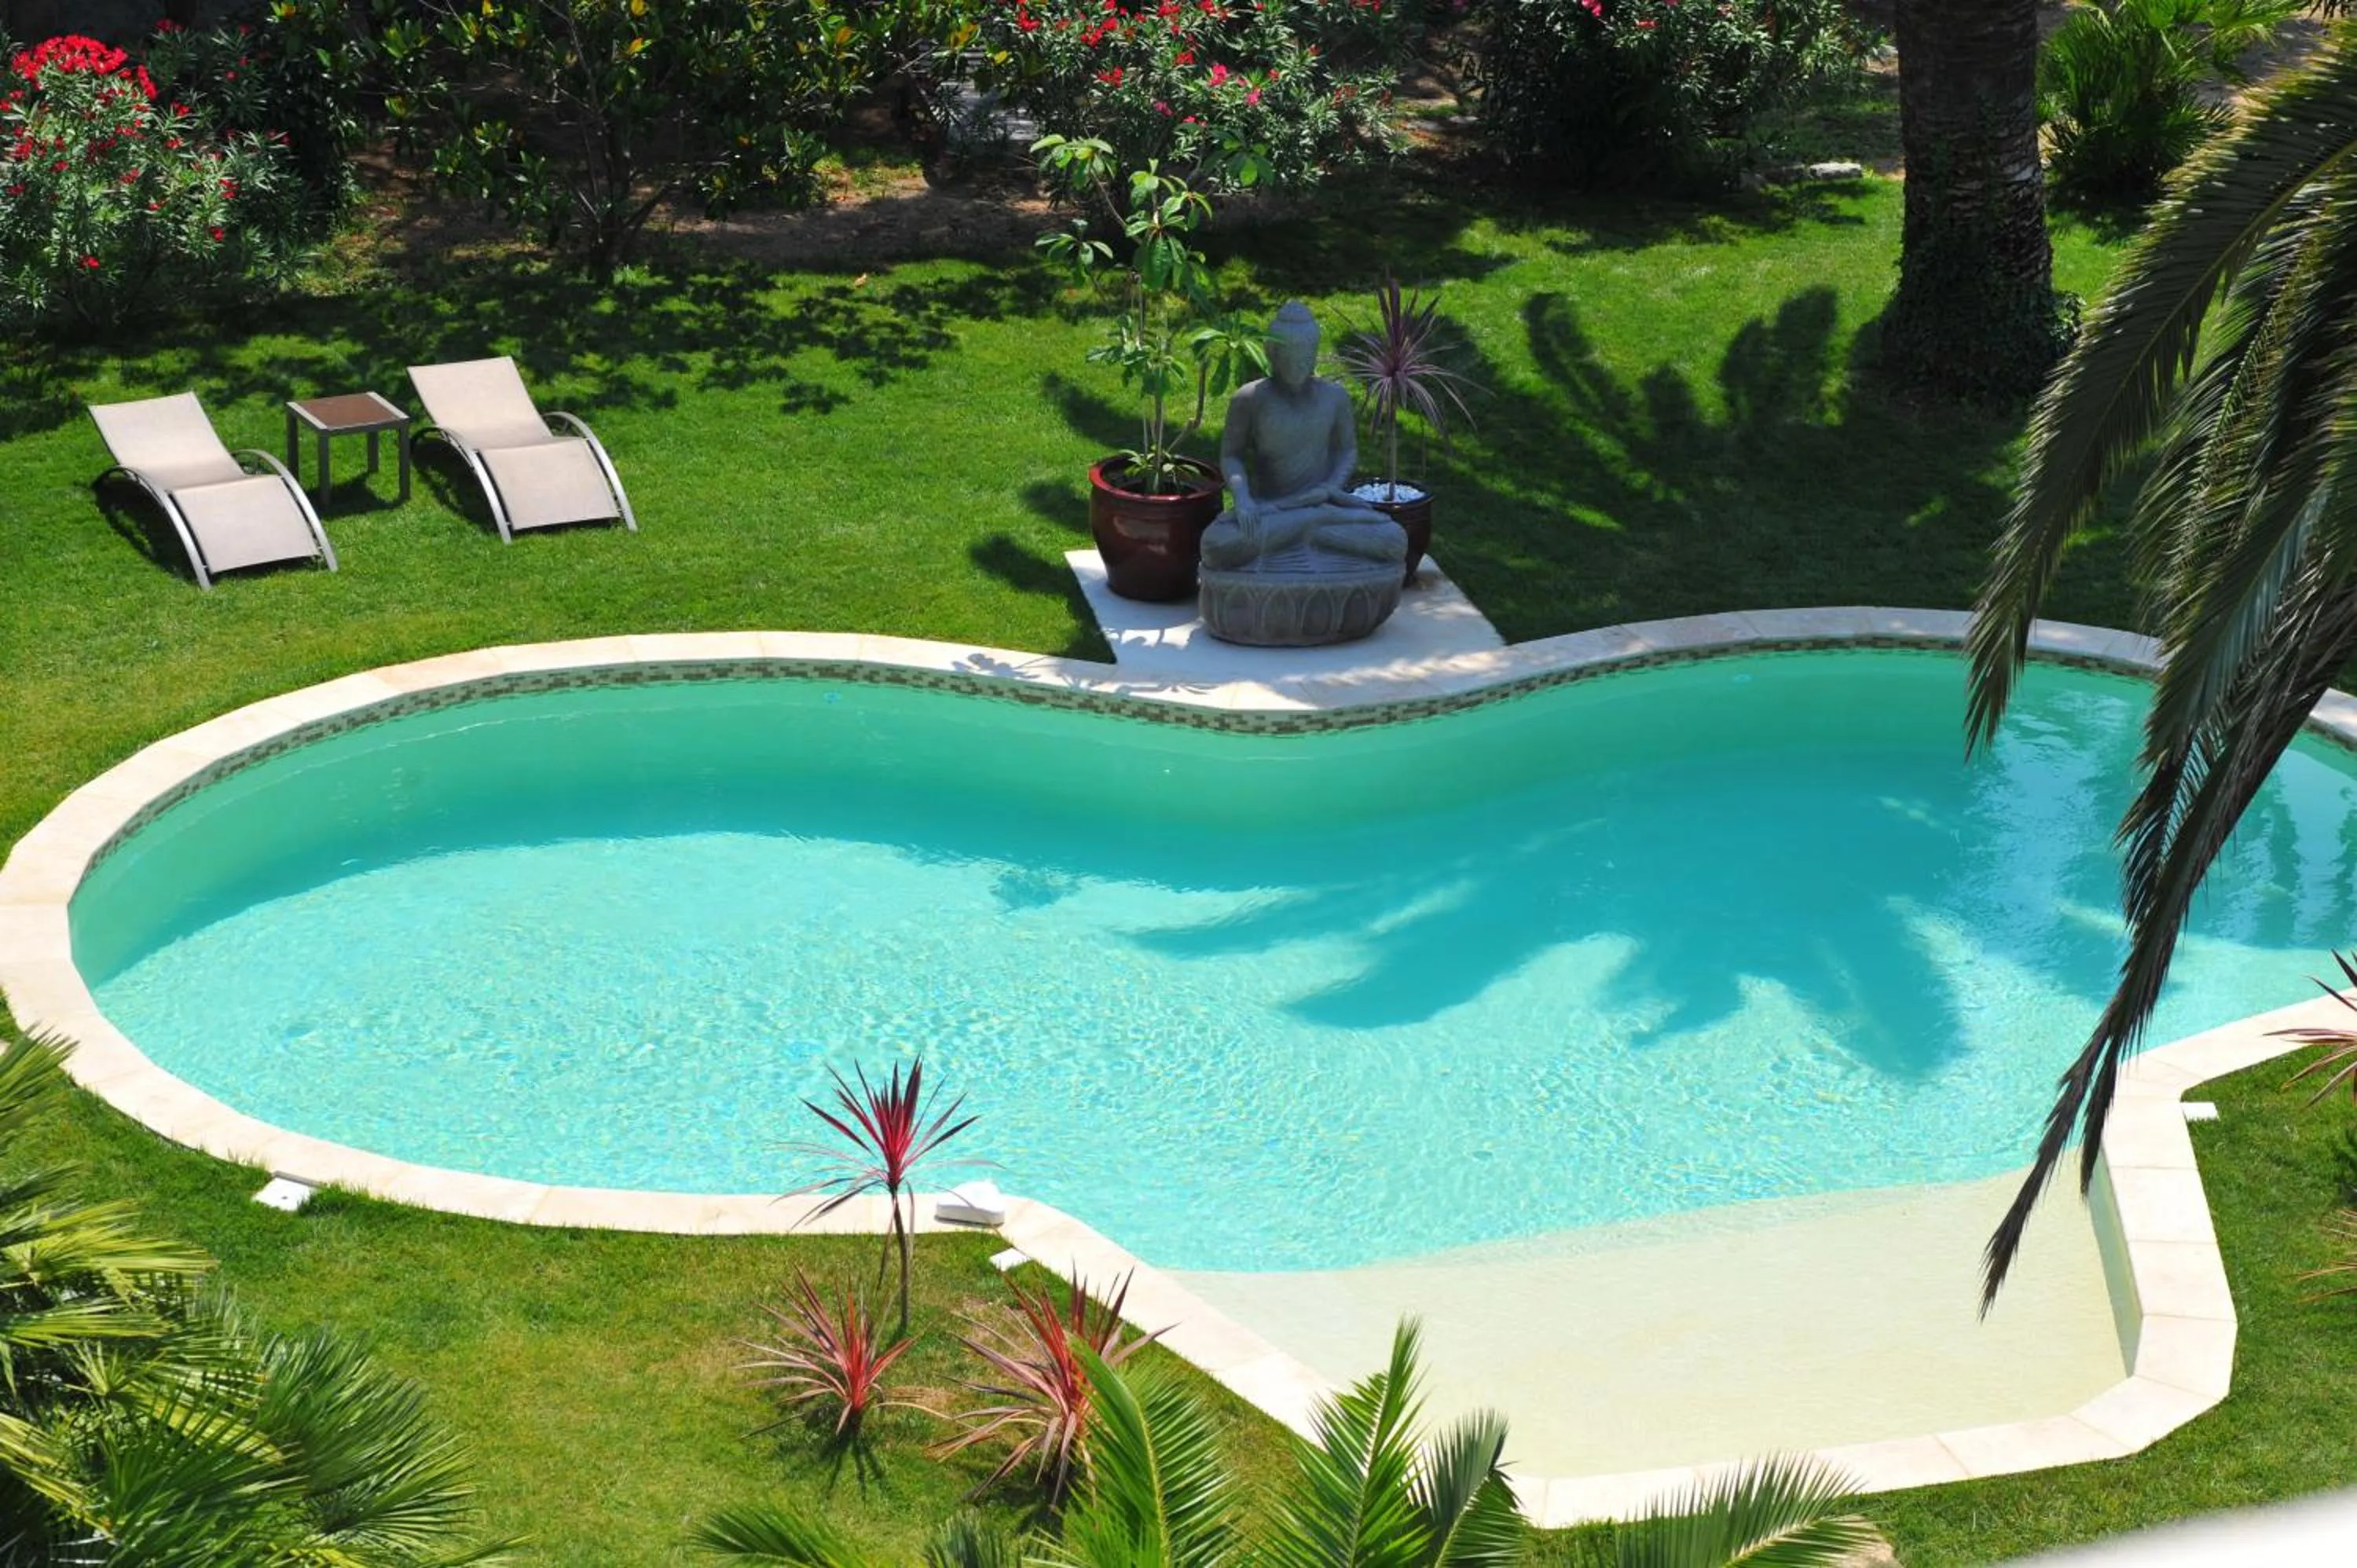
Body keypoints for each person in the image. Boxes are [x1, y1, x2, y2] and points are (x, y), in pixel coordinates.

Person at [1200, 302, 1406, 570]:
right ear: (1272, 354)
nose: (1300, 367)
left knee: (1395, 539)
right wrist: (1243, 499)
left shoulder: (1334, 398)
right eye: (1290, 358)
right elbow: (1231, 455)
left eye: (1307, 358)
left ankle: (1308, 529)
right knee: (1215, 545)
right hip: (1272, 510)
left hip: (1323, 504)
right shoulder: (1250, 399)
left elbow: (1347, 451)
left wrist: (1331, 486)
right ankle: (1313, 527)